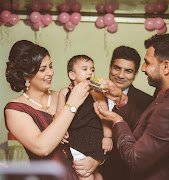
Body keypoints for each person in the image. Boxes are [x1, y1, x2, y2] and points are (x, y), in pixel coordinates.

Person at [94, 34, 169, 179]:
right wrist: (121, 99)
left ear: (166, 66)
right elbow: (153, 127)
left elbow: (135, 159)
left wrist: (118, 121)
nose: (143, 69)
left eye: (147, 63)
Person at [4, 40, 92, 179]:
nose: (50, 73)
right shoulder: (15, 109)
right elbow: (42, 147)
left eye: (50, 66)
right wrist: (73, 104)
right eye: (42, 69)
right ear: (26, 75)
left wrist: (96, 160)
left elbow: (91, 129)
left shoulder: (62, 96)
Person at [99, 46, 154, 180]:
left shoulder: (147, 101)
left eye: (128, 71)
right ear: (110, 67)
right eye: (117, 68)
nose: (121, 75)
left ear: (135, 74)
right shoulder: (92, 94)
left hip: (127, 173)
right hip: (92, 171)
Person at [56, 55, 113, 180]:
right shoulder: (64, 92)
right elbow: (59, 116)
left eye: (92, 69)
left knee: (96, 173)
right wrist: (60, 132)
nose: (90, 72)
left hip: (95, 139)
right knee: (84, 173)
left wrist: (107, 137)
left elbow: (106, 116)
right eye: (84, 69)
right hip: (76, 139)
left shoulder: (96, 93)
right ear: (72, 75)